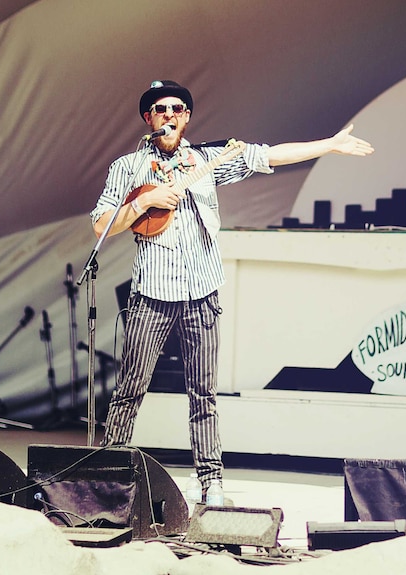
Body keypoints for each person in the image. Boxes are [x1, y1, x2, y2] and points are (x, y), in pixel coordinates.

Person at [91, 80, 374, 497]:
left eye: (177, 108)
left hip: (202, 292)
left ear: (187, 117)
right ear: (148, 119)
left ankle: (211, 481)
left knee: (203, 393)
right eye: (159, 108)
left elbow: (269, 154)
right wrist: (142, 204)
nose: (169, 114)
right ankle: (107, 473)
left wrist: (328, 145)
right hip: (151, 293)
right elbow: (101, 226)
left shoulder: (207, 159)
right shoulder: (127, 167)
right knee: (131, 387)